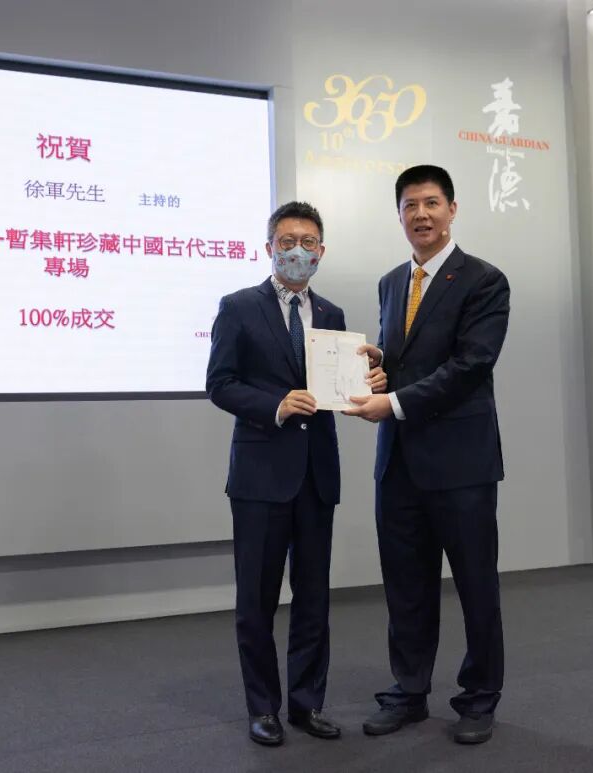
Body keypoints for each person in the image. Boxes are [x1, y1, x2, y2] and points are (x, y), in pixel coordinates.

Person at [206, 201, 387, 746]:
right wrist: (275, 406)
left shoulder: (331, 314)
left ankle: (307, 704)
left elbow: (339, 388)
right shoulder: (239, 307)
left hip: (316, 475)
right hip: (260, 475)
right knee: (256, 599)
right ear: (269, 247)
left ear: (321, 251)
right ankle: (263, 707)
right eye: (287, 241)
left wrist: (370, 379)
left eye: (308, 242)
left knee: (313, 598)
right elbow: (220, 383)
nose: (297, 251)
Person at [345, 165, 510, 745]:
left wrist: (391, 402)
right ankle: (409, 690)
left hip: (461, 463)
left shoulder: (485, 280)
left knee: (475, 586)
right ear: (399, 215)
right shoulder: (392, 282)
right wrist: (378, 368)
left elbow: (470, 366)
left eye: (432, 203)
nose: (421, 214)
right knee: (406, 587)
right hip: (399, 464)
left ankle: (479, 698)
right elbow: (408, 361)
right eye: (410, 205)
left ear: (452, 209)